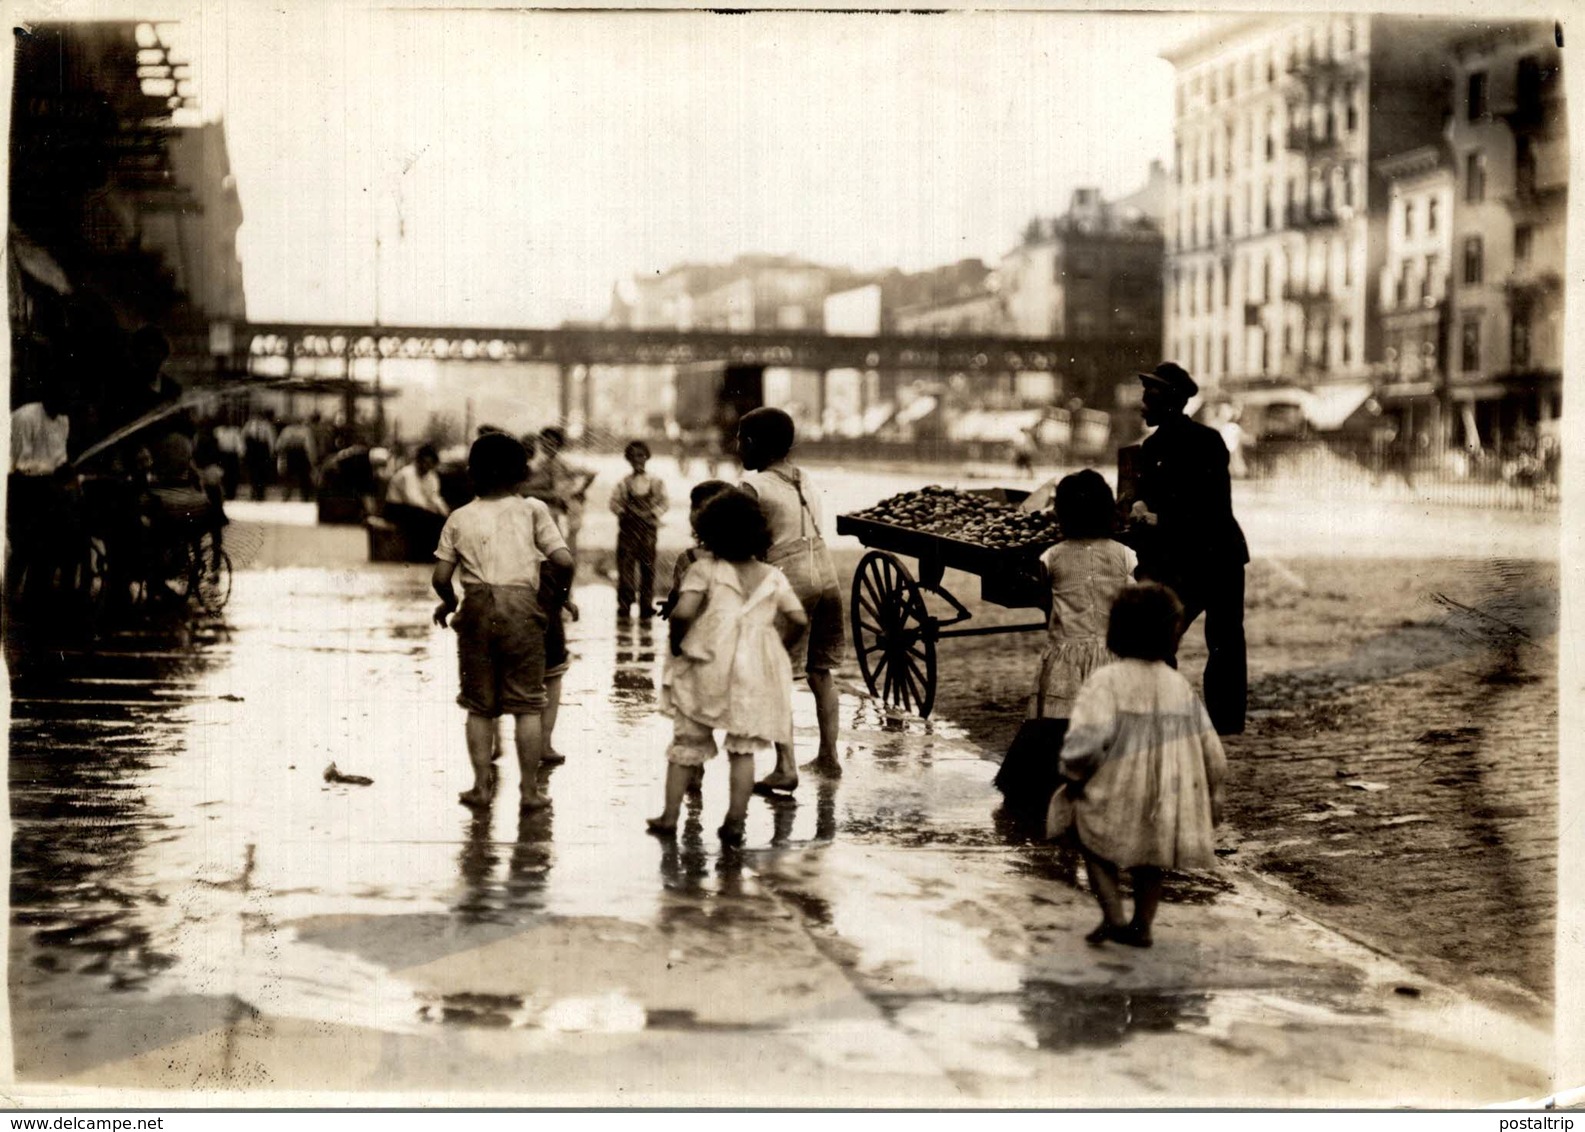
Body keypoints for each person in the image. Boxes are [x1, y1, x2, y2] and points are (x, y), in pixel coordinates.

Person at [1057, 584, 1226, 947]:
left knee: (1091, 842)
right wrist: (1215, 787)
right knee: (1150, 860)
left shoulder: (1107, 681)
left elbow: (1088, 736)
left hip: (1115, 786)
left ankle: (1114, 916)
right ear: (1172, 634)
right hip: (1165, 793)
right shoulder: (1177, 685)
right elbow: (1208, 742)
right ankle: (1143, 925)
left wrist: (1073, 772)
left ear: (1116, 630)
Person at [648, 489, 808, 846]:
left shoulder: (704, 569)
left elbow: (684, 613)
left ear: (708, 532)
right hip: (753, 669)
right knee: (744, 747)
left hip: (707, 664)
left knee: (688, 739)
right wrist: (777, 648)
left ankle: (669, 816)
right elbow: (797, 619)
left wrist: (677, 643)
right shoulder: (772, 576)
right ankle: (736, 821)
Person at [432, 433, 574, 813]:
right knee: (527, 705)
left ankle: (481, 787)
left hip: (476, 608)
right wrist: (560, 598)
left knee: (479, 707)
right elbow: (563, 562)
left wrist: (449, 604)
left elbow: (441, 577)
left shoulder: (459, 516)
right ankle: (529, 791)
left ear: (471, 473)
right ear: (522, 473)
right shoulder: (532, 510)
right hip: (522, 607)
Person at [995, 470, 1137, 811]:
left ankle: (1049, 788)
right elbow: (1131, 597)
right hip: (1110, 656)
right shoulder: (1125, 555)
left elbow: (1046, 599)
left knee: (1056, 725)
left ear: (1063, 514)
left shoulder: (1052, 557)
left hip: (1065, 656)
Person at [1127, 362, 1249, 736]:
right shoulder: (1150, 448)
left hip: (1215, 555)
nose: (1142, 406)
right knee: (1185, 637)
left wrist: (1157, 521)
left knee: (1219, 640)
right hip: (1186, 556)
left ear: (1170, 402)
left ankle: (1223, 721)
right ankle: (1174, 712)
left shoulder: (1208, 443)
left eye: (1149, 398)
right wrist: (1138, 505)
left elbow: (1211, 507)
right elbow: (1147, 496)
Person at [737, 407, 844, 788]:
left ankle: (786, 766)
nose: (737, 448)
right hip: (825, 576)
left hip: (789, 582)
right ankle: (830, 757)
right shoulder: (805, 478)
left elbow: (743, 544)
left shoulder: (753, 485)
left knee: (778, 674)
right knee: (820, 671)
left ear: (752, 443)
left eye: (740, 440)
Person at [608, 439, 669, 620]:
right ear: (628, 459)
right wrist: (623, 512)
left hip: (648, 530)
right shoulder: (623, 483)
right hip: (628, 530)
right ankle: (625, 605)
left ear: (647, 457)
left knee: (648, 568)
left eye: (641, 455)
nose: (638, 459)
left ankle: (646, 605)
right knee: (625, 568)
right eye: (634, 456)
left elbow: (664, 502)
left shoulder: (656, 482)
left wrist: (653, 513)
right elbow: (613, 503)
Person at [657, 480, 733, 620]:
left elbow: (677, 595)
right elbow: (676, 593)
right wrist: (671, 604)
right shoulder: (741, 556)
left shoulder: (689, 558)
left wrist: (672, 605)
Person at [523, 426, 597, 557]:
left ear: (558, 446)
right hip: (558, 501)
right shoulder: (543, 463)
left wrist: (580, 490)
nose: (548, 447)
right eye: (544, 444)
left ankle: (570, 565)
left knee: (570, 535)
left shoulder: (561, 462)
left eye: (552, 444)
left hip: (570, 501)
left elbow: (591, 473)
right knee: (557, 533)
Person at [385, 444, 450, 559]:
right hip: (396, 507)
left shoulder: (431, 476)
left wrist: (444, 512)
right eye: (425, 462)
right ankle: (419, 554)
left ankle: (430, 553)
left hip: (416, 509)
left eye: (430, 464)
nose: (427, 466)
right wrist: (432, 510)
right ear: (419, 461)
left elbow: (435, 497)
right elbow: (412, 498)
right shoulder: (407, 474)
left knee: (439, 519)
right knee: (425, 518)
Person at [276, 419, 317, 502]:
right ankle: (304, 497)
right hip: (301, 455)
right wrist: (312, 458)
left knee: (289, 477)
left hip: (290, 455)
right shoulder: (306, 430)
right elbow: (309, 446)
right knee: (304, 478)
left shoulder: (287, 430)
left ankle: (286, 496)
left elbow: (280, 444)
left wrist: (280, 453)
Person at [241, 410, 277, 501]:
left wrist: (271, 451)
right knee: (252, 472)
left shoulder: (267, 425)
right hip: (252, 450)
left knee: (262, 472)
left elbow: (271, 439)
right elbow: (243, 437)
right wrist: (244, 451)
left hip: (262, 450)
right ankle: (253, 491)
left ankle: (261, 492)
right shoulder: (249, 425)